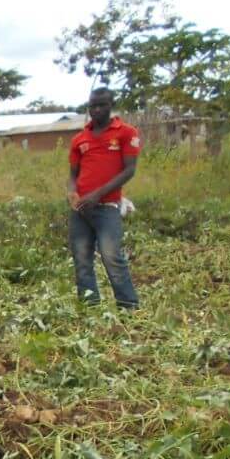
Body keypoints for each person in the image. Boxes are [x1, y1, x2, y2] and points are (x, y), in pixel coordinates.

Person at [68, 87, 140, 310]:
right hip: (80, 209)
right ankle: (89, 306)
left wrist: (96, 195)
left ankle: (128, 306)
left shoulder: (126, 133)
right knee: (81, 258)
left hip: (107, 206)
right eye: (93, 106)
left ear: (111, 106)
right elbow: (73, 175)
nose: (96, 110)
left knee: (111, 256)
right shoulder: (80, 139)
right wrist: (72, 194)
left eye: (101, 105)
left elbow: (129, 171)